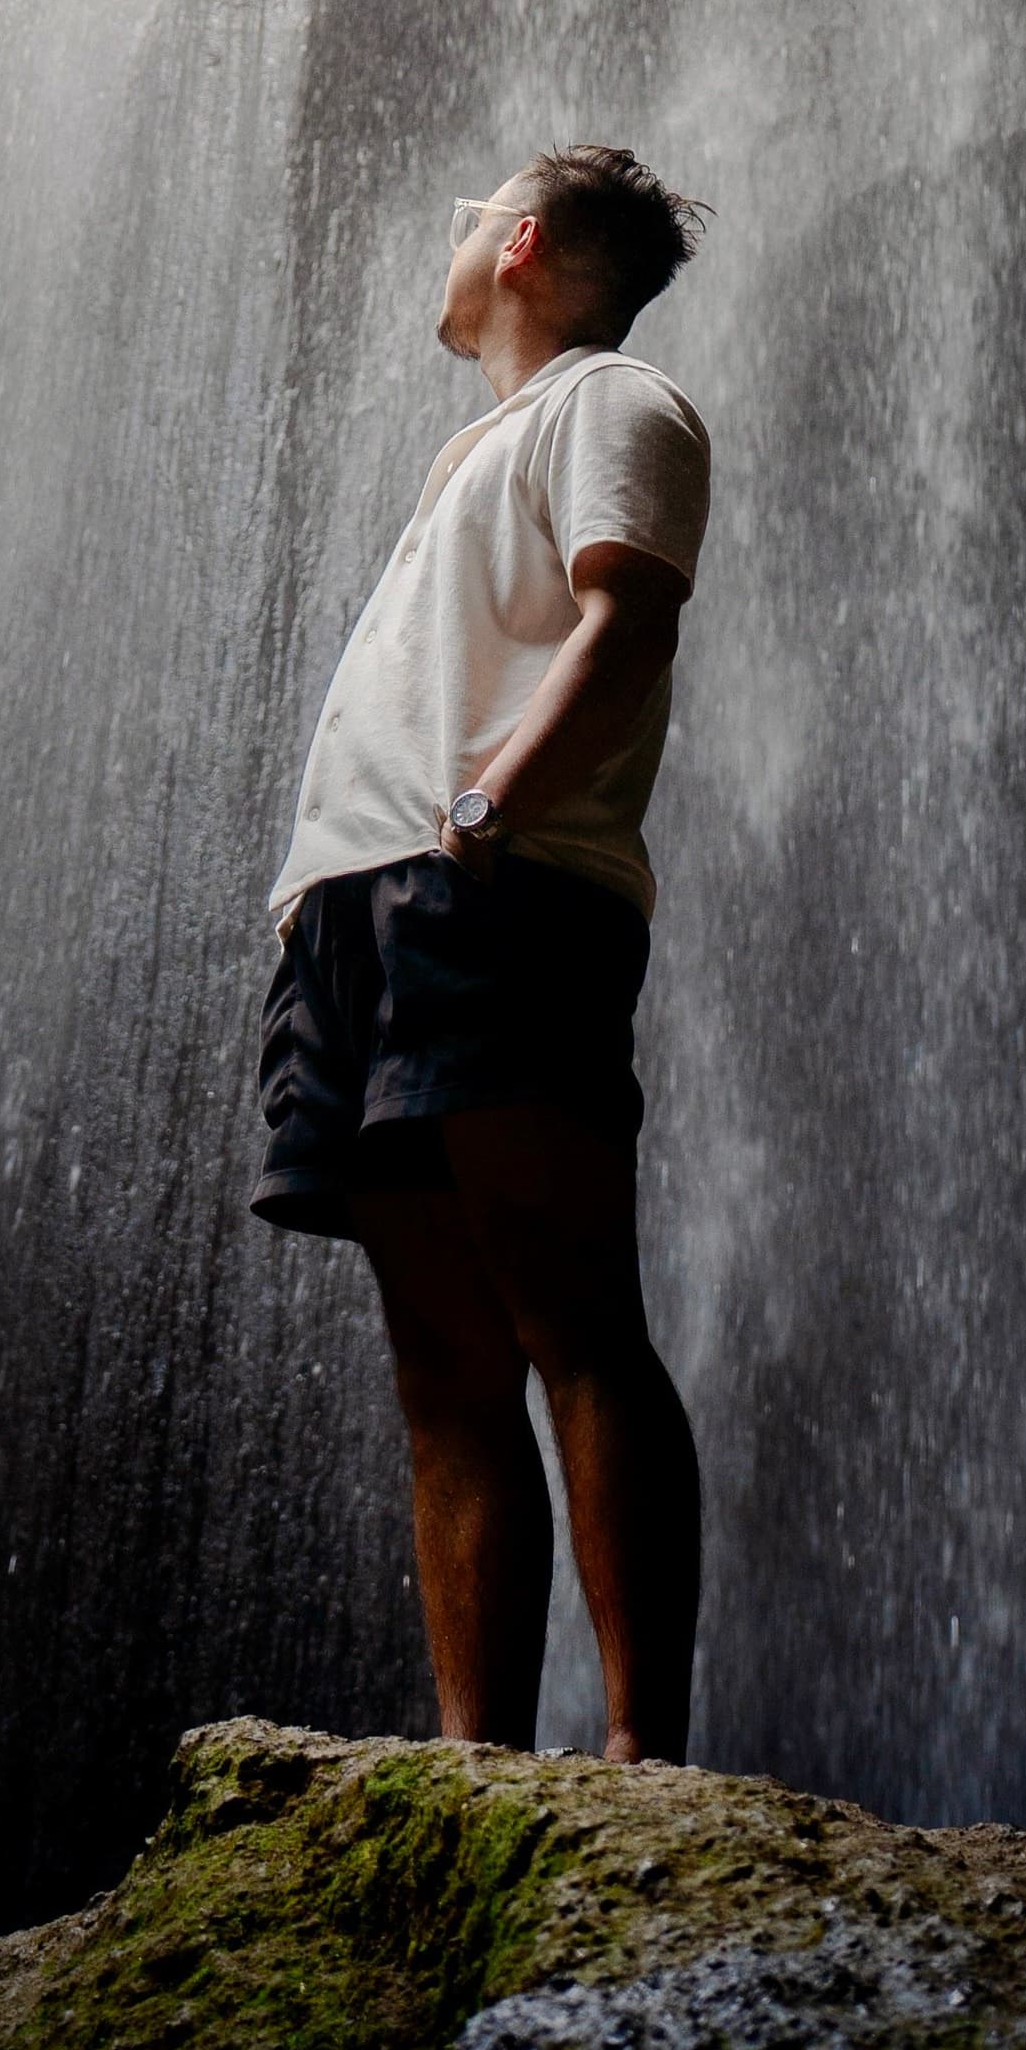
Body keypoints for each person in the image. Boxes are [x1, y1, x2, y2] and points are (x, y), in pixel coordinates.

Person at [253, 143, 713, 1762]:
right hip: (362, 910)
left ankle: (639, 1760)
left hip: (490, 888)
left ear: (519, 246)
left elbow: (628, 611)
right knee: (442, 1366)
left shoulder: (615, 401)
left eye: (472, 220)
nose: (448, 244)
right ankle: (474, 1767)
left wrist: (487, 806)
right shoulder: (478, 451)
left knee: (572, 1319)